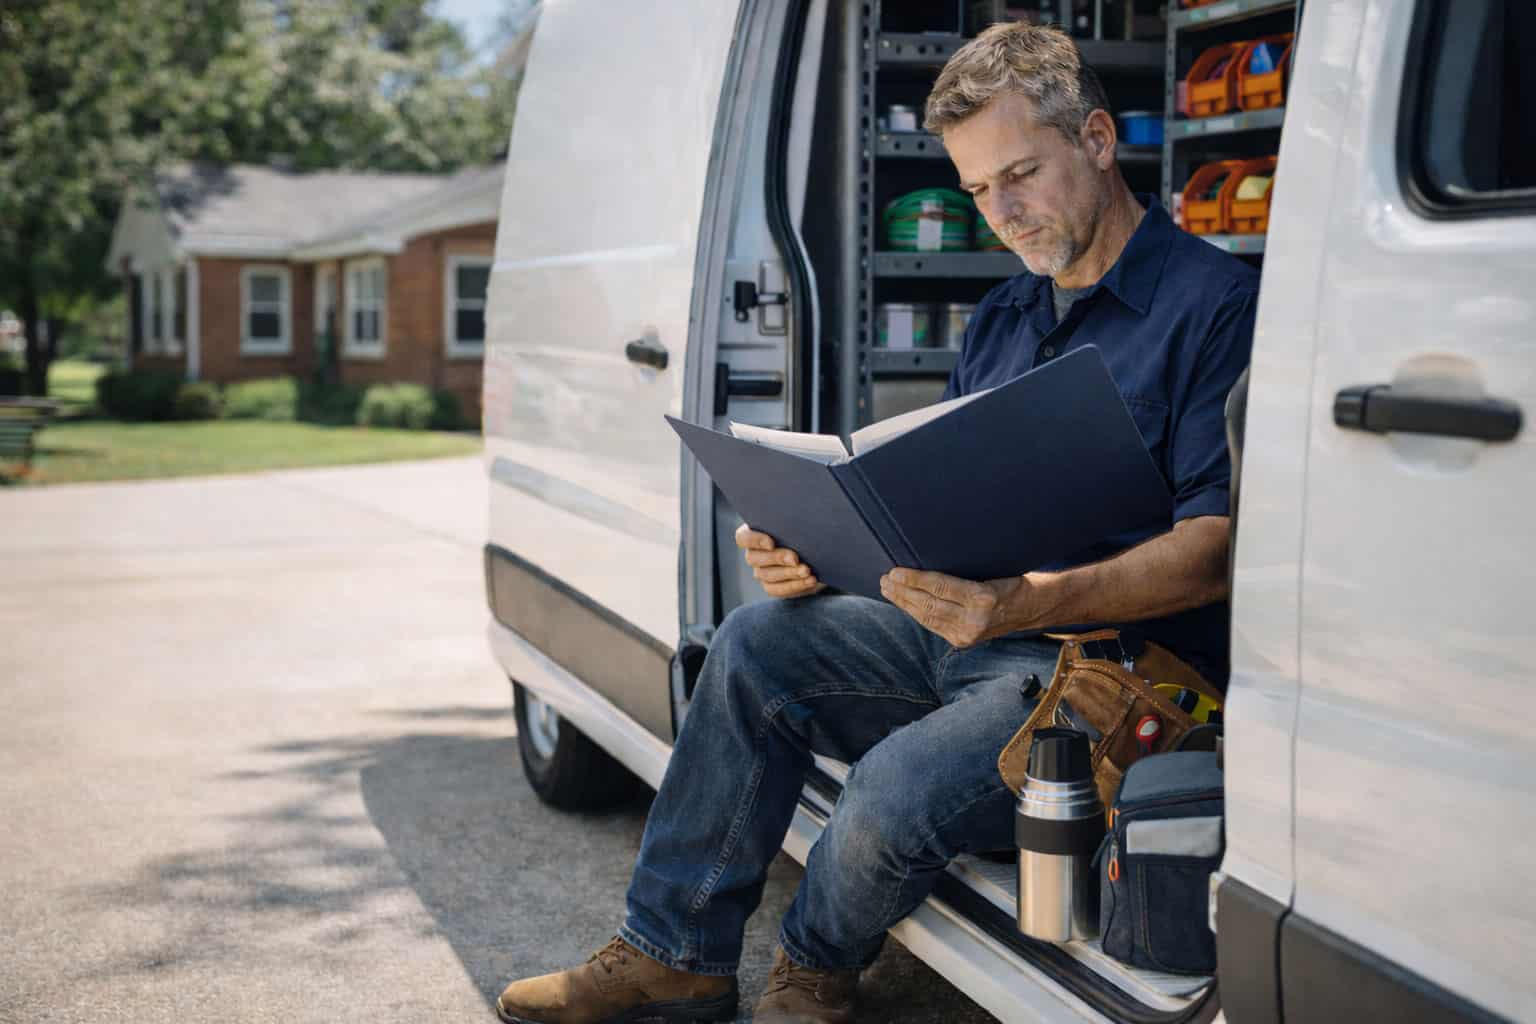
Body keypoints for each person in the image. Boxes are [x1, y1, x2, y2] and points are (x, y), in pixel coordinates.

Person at [495, 21, 1256, 1024]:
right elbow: (939, 513)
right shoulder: (1004, 318)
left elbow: (1213, 555)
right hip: (973, 635)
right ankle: (672, 953)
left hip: (1107, 671)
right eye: (979, 191)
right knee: (756, 641)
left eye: (1022, 173)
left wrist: (1022, 602)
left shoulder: (1215, 307)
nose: (1004, 213)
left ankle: (813, 971)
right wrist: (814, 548)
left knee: (892, 789)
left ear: (1100, 140)